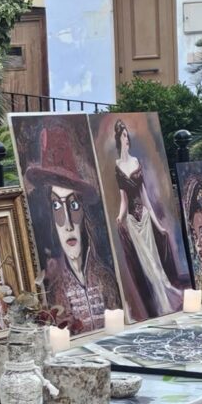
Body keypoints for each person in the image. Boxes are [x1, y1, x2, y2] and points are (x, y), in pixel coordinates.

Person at [26, 126, 121, 332]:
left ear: (84, 215)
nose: (68, 223)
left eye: (74, 205)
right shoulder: (51, 291)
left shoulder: (106, 279)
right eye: (57, 206)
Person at [112, 120, 183, 319]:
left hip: (143, 218)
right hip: (131, 223)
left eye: (127, 135)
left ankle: (167, 301)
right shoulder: (117, 166)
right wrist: (119, 216)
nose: (126, 139)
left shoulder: (136, 162)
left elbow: (145, 198)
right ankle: (160, 305)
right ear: (118, 139)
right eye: (123, 136)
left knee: (155, 264)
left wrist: (158, 225)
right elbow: (123, 199)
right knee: (146, 265)